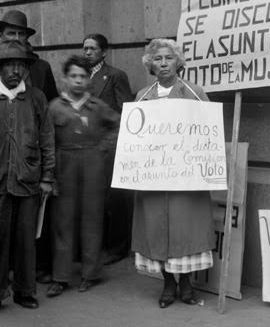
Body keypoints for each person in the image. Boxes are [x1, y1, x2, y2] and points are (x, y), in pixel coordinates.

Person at [132, 38, 215, 308]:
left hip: (186, 176)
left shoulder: (194, 92)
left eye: (169, 58)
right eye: (158, 59)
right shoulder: (143, 96)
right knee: (158, 228)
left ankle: (187, 285)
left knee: (185, 228)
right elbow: (135, 135)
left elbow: (209, 131)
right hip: (155, 176)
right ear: (151, 64)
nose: (164, 63)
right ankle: (168, 284)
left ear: (178, 61)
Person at [46, 56, 119, 297]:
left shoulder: (97, 106)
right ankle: (61, 276)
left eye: (83, 76)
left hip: (93, 166)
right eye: (73, 76)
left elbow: (118, 125)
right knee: (63, 221)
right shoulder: (55, 106)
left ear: (89, 79)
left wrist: (104, 147)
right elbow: (46, 139)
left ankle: (90, 274)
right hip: (64, 165)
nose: (78, 80)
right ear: (65, 79)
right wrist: (50, 174)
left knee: (92, 218)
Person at [1, 10, 59, 285]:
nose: (15, 70)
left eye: (20, 65)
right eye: (9, 64)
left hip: (28, 177)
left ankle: (26, 291)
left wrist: (47, 175)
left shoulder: (36, 96)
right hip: (1, 177)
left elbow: (47, 135)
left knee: (27, 239)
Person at [83, 33, 134, 265]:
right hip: (87, 146)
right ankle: (99, 245)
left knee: (115, 198)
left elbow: (125, 112)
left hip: (111, 145)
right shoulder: (81, 77)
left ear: (104, 52)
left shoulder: (114, 76)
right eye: (85, 48)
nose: (88, 52)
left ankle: (118, 247)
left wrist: (114, 140)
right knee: (94, 197)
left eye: (93, 48)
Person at [0, 10, 58, 102]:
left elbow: (51, 106)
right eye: (11, 33)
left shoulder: (42, 67)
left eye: (21, 34)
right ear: (1, 35)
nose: (16, 38)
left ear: (26, 38)